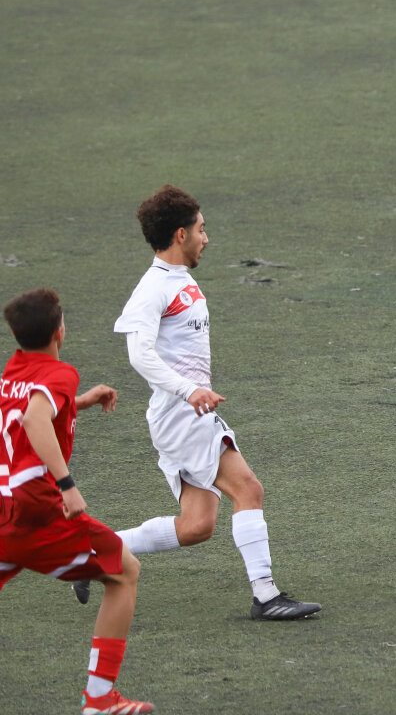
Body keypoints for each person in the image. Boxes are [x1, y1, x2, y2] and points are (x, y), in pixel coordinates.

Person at [75, 185, 320, 620]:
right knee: (248, 489)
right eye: (202, 230)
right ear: (180, 235)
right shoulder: (154, 287)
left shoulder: (179, 279)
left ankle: (93, 550)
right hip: (183, 414)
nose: (207, 238)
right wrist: (189, 391)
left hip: (185, 413)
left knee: (196, 526)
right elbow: (139, 354)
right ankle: (266, 596)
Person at [1, 288, 155, 714]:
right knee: (124, 571)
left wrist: (77, 402)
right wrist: (67, 484)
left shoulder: (13, 370)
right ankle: (100, 698)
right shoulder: (60, 373)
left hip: (4, 509)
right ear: (59, 331)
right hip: (36, 510)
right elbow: (34, 418)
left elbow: (21, 412)